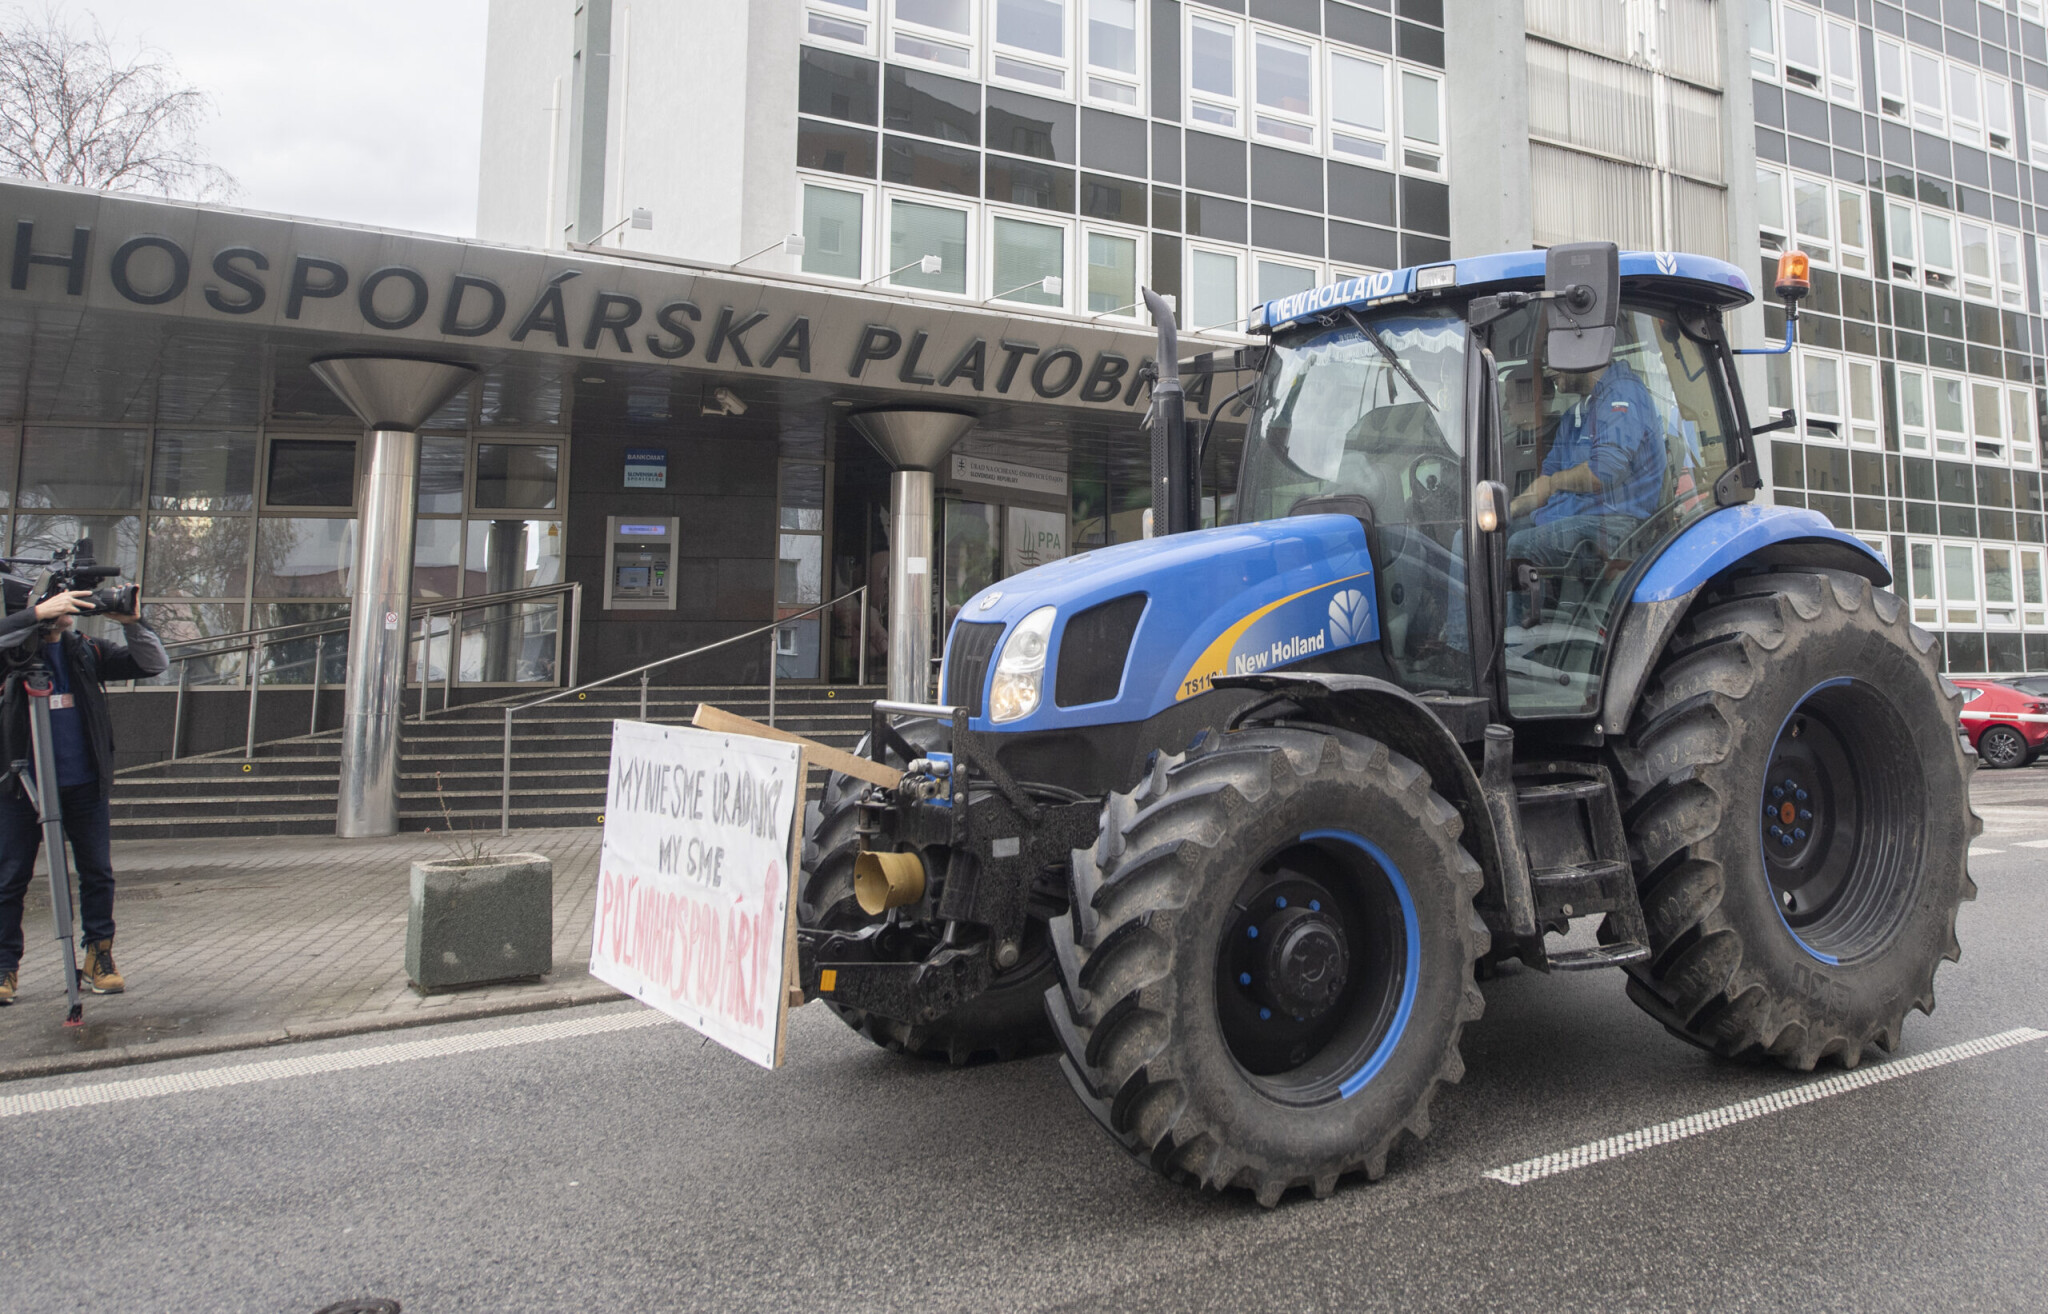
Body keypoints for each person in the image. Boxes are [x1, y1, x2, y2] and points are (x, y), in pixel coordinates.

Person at [0, 584, 167, 1005]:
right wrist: (36, 616)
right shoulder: (12, 653)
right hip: (20, 785)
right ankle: (4, 967)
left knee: (97, 873)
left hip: (84, 785)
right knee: (9, 879)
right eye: (60, 600)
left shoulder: (86, 650)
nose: (68, 607)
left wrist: (134, 624)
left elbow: (153, 664)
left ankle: (99, 956)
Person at [1505, 354, 1667, 581]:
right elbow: (1547, 478)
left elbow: (1601, 474)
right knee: (1479, 536)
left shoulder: (1622, 395)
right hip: (1569, 519)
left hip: (1615, 526)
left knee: (1521, 546)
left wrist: (1555, 482)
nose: (1548, 367)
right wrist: (1507, 511)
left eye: (1556, 353)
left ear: (1582, 349)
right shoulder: (1575, 415)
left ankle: (1526, 618)